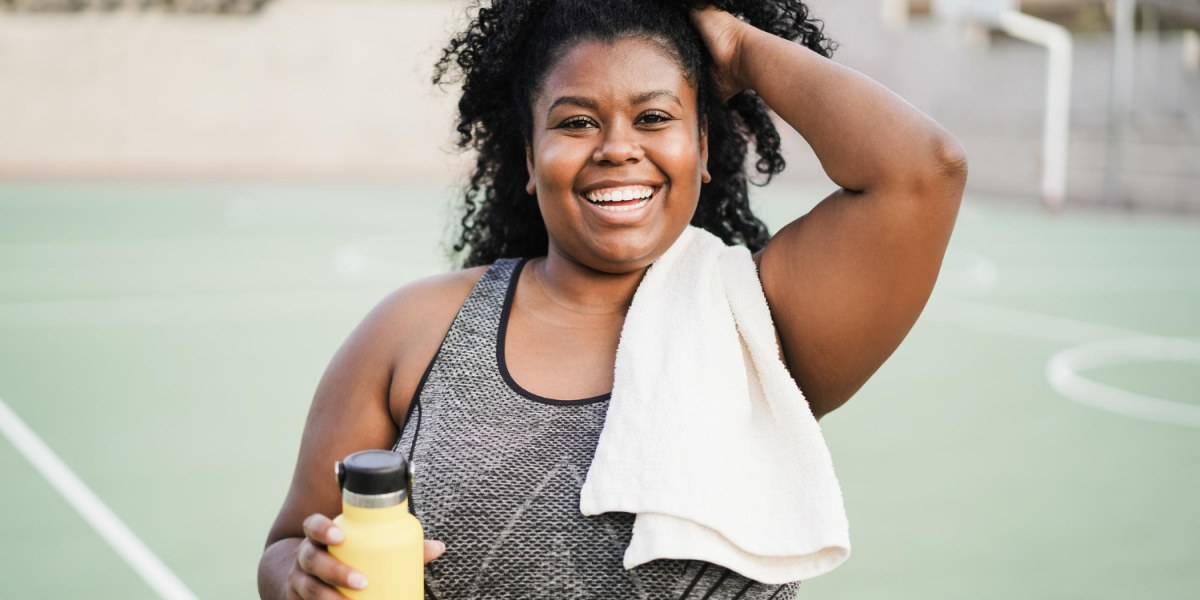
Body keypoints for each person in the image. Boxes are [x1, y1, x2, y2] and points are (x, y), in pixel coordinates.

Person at [257, 0, 967, 597]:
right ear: (531, 161)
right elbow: (290, 544)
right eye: (575, 122)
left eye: (655, 117)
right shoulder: (413, 330)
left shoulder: (766, 320)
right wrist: (301, 575)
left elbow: (923, 171)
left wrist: (740, 45)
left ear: (704, 147)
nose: (617, 147)